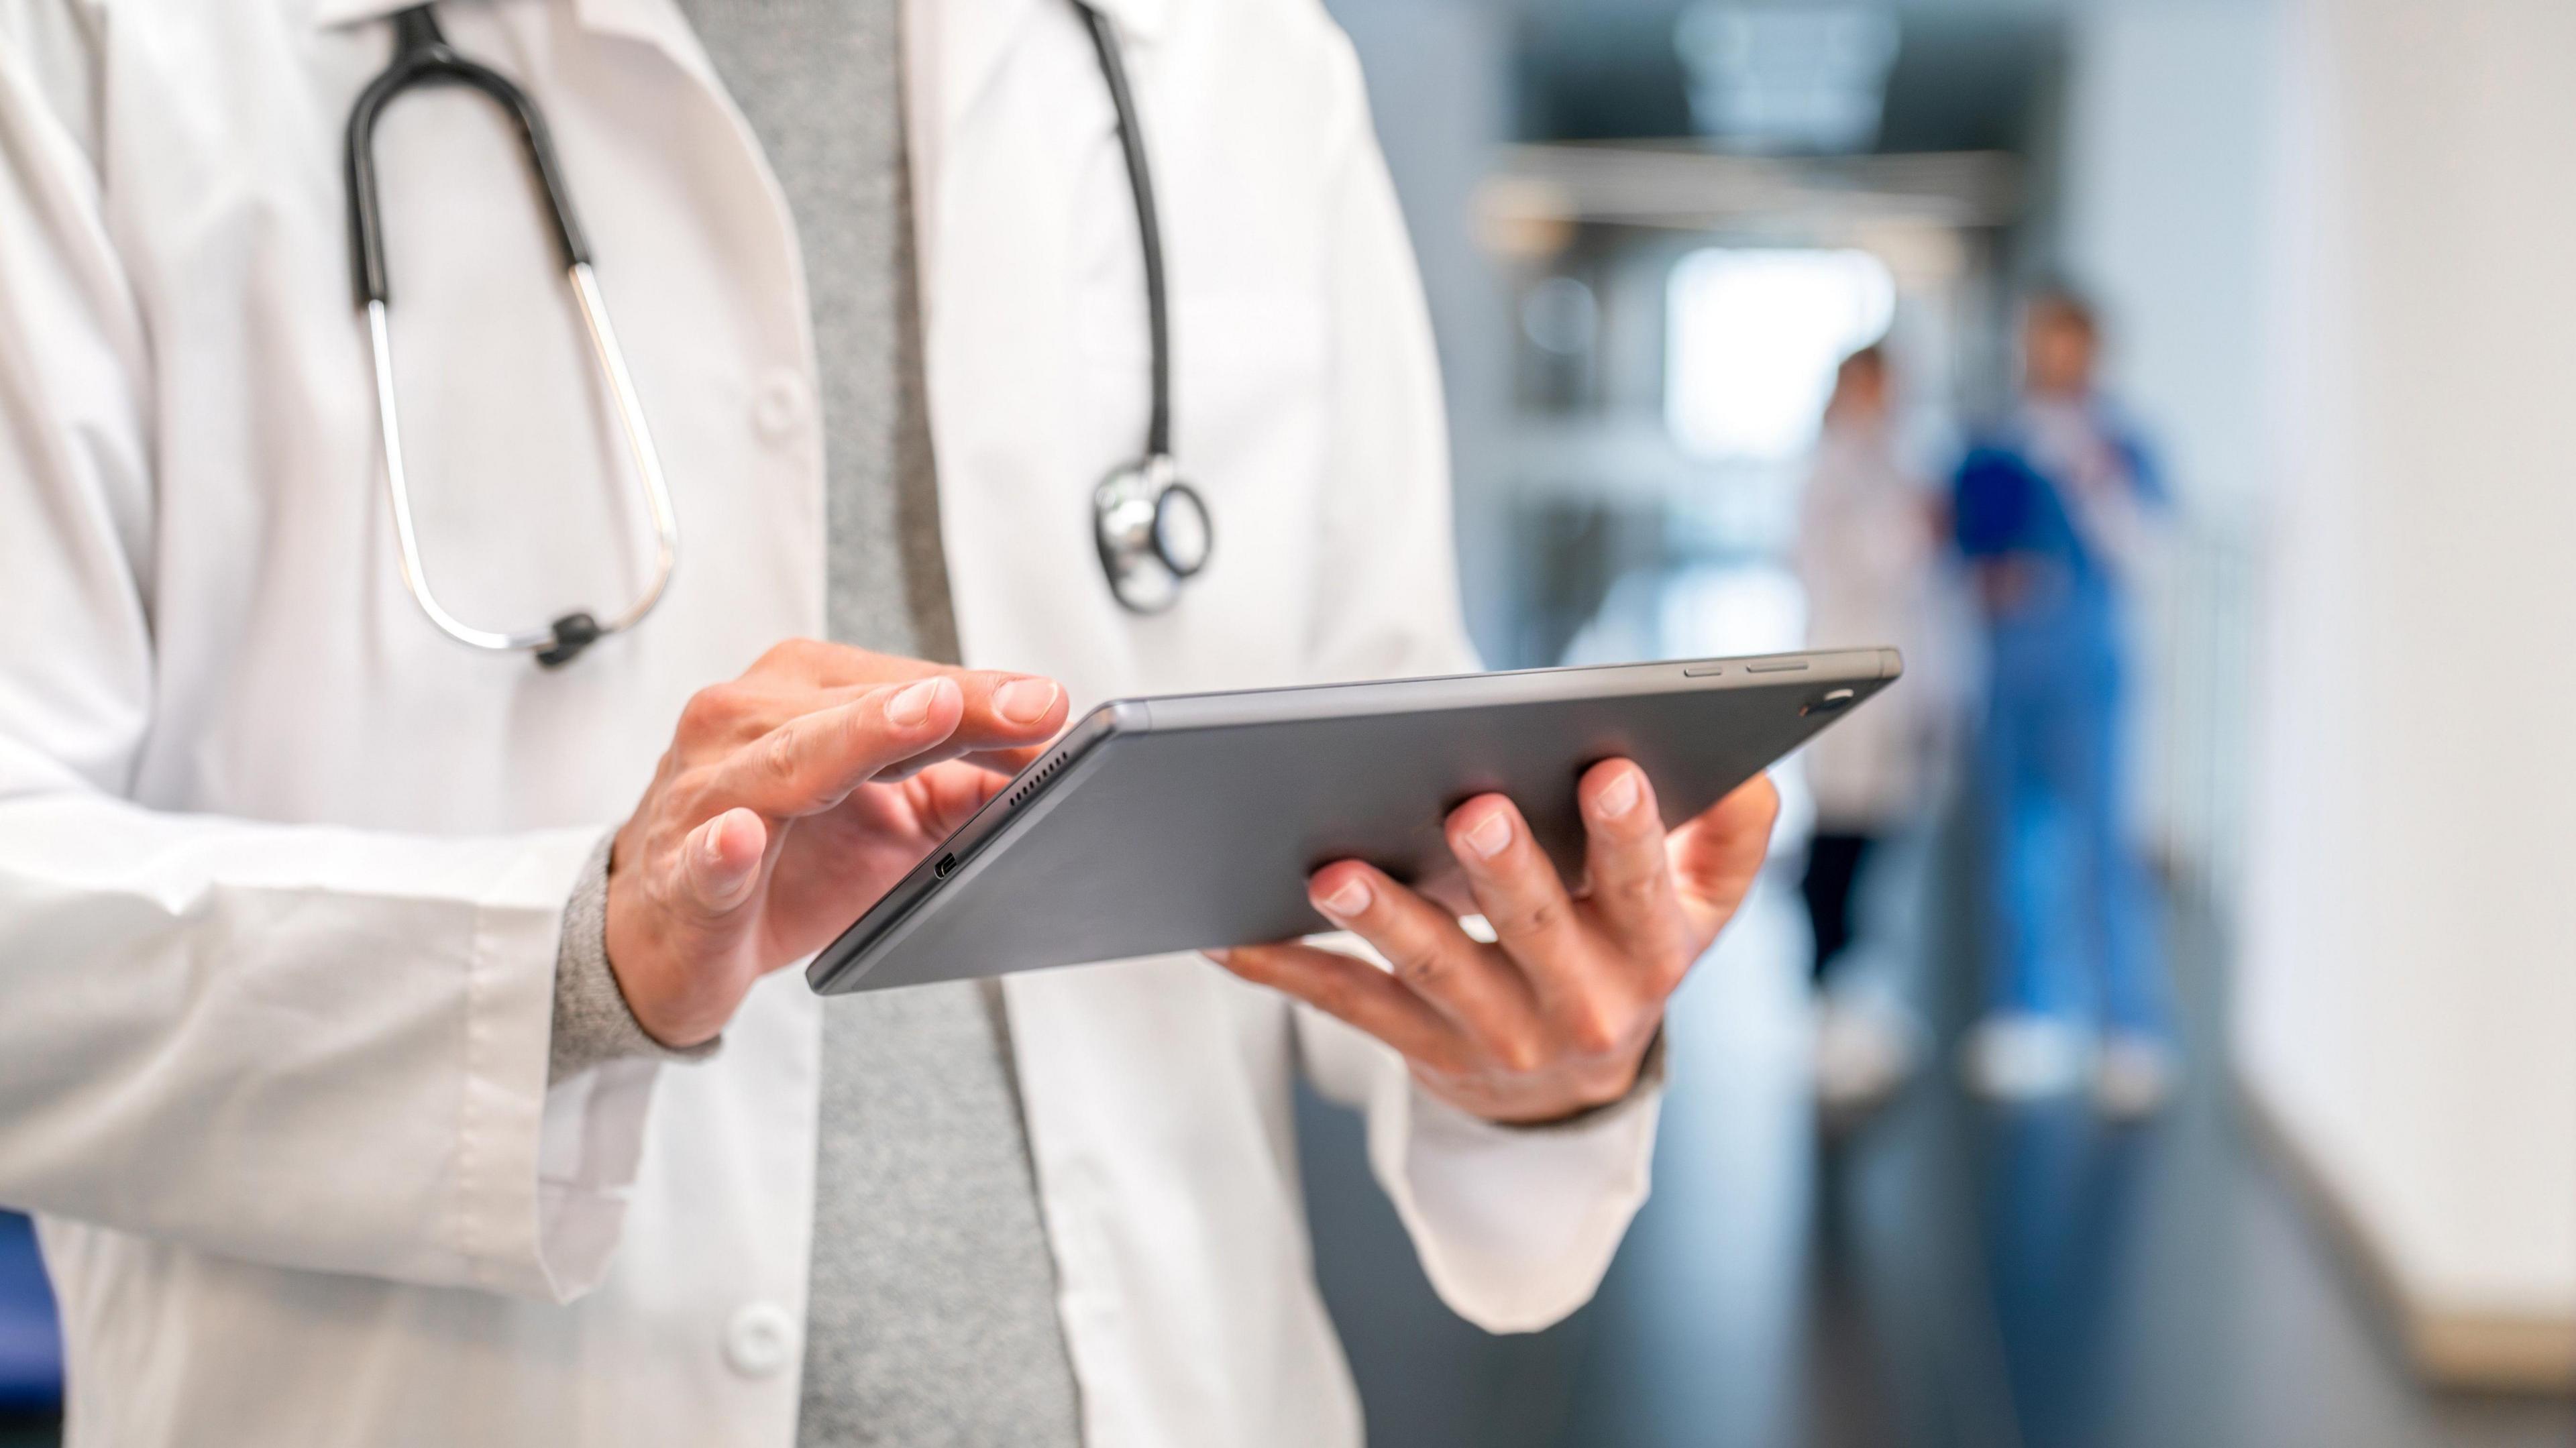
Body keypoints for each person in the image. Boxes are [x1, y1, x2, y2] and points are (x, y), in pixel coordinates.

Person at [0, 2, 1781, 1445]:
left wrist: (1544, 1038)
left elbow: (1387, 794)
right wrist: (571, 957)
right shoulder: (110, 54)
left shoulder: (1243, 63)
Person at [1951, 288, 2173, 1117]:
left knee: (2102, 847)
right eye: (2040, 342)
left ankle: (2131, 1025)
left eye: (2066, 344)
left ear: (2093, 350)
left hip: (2089, 663)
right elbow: (1959, 543)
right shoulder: (1998, 442)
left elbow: (2148, 548)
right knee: (2016, 845)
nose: (2051, 359)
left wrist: (2091, 479)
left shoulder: (2121, 444)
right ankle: (2031, 1012)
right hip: (2012, 666)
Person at [1792, 345, 1952, 1111]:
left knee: (1875, 836)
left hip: (1892, 682)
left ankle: (1852, 997)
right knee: (1839, 844)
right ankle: (1828, 1001)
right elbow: (1864, 558)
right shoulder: (1833, 468)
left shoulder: (1890, 463)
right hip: (1846, 676)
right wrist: (1917, 524)